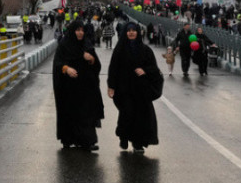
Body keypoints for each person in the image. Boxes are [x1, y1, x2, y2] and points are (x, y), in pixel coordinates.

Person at [107, 23, 162, 154]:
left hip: (140, 90)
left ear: (138, 33)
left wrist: (145, 70)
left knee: (141, 117)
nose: (131, 33)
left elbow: (154, 68)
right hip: (124, 89)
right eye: (129, 31)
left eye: (133, 31)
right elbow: (113, 68)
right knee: (127, 113)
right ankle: (124, 136)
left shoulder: (146, 50)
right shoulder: (120, 50)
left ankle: (138, 143)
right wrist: (111, 86)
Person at [52, 21, 104, 151]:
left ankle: (88, 142)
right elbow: (57, 63)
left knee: (86, 113)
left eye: (82, 30)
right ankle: (68, 139)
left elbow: (97, 64)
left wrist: (91, 59)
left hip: (85, 87)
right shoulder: (64, 45)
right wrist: (66, 69)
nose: (80, 33)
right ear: (72, 31)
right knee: (69, 113)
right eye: (77, 30)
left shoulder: (86, 44)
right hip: (68, 88)